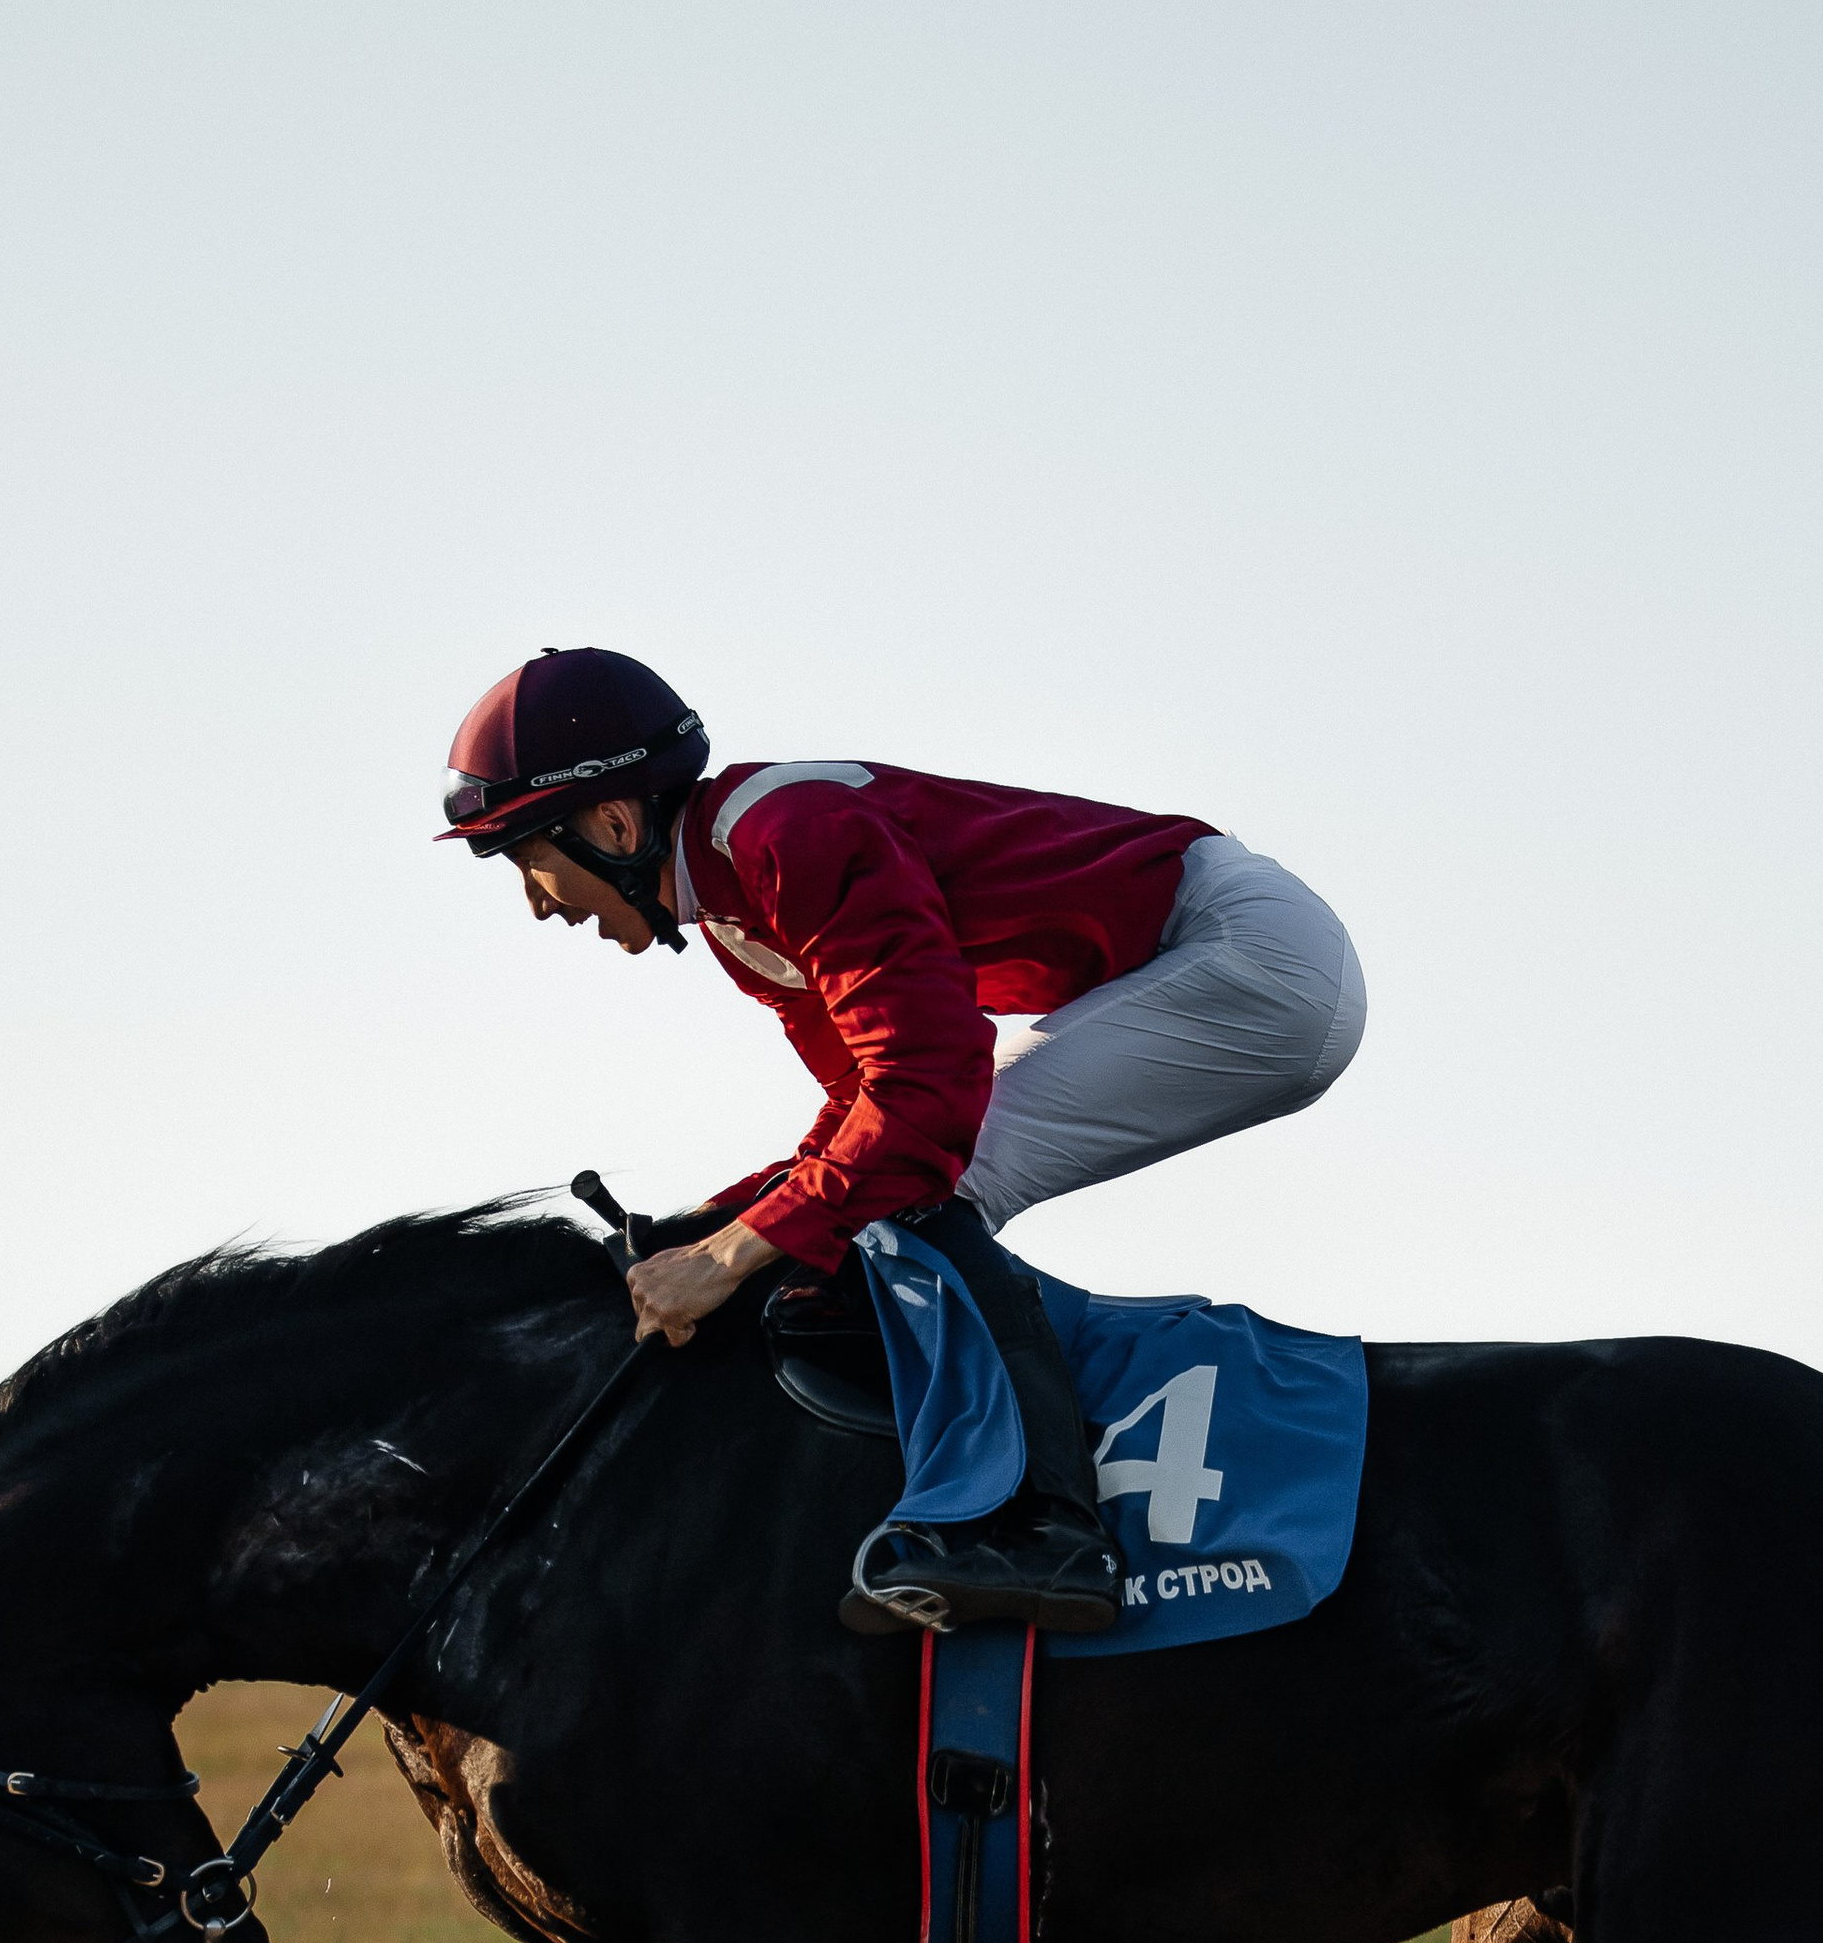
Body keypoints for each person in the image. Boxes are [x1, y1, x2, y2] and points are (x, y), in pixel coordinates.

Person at [438, 647, 1367, 1635]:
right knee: (872, 1196)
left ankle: (1045, 1529)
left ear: (613, 822)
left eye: (524, 860)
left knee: (922, 1184)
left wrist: (725, 1253)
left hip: (1247, 957)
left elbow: (918, 1111)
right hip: (1213, 953)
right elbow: (857, 1110)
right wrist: (713, 1223)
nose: (538, 903)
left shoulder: (787, 835)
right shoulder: (736, 913)